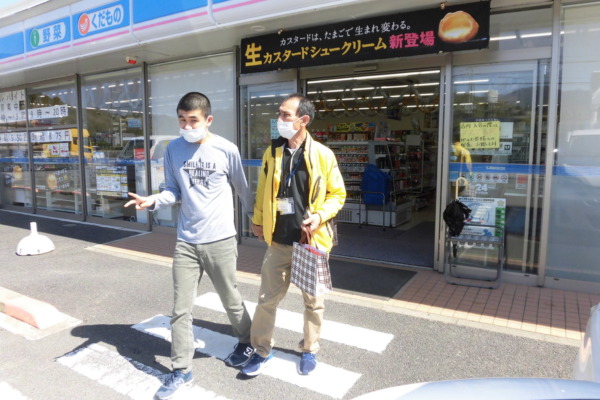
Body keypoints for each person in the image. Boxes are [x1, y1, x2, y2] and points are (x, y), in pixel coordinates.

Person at [125, 92, 254, 400]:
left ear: (208, 120)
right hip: (186, 241)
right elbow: (173, 190)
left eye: (193, 120)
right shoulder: (173, 149)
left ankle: (248, 340)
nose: (186, 126)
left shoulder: (226, 148)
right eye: (182, 120)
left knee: (231, 299)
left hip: (220, 239)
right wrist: (154, 200)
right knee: (180, 310)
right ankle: (181, 369)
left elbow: (242, 188)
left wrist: (255, 221)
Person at [241, 93, 346, 377]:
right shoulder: (273, 152)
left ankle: (309, 348)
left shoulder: (323, 154)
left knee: (313, 302)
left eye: (285, 115)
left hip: (310, 242)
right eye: (279, 113)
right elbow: (263, 190)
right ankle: (261, 349)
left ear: (303, 120)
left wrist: (320, 216)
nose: (279, 119)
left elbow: (338, 194)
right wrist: (258, 221)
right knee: (266, 299)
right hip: (278, 240)